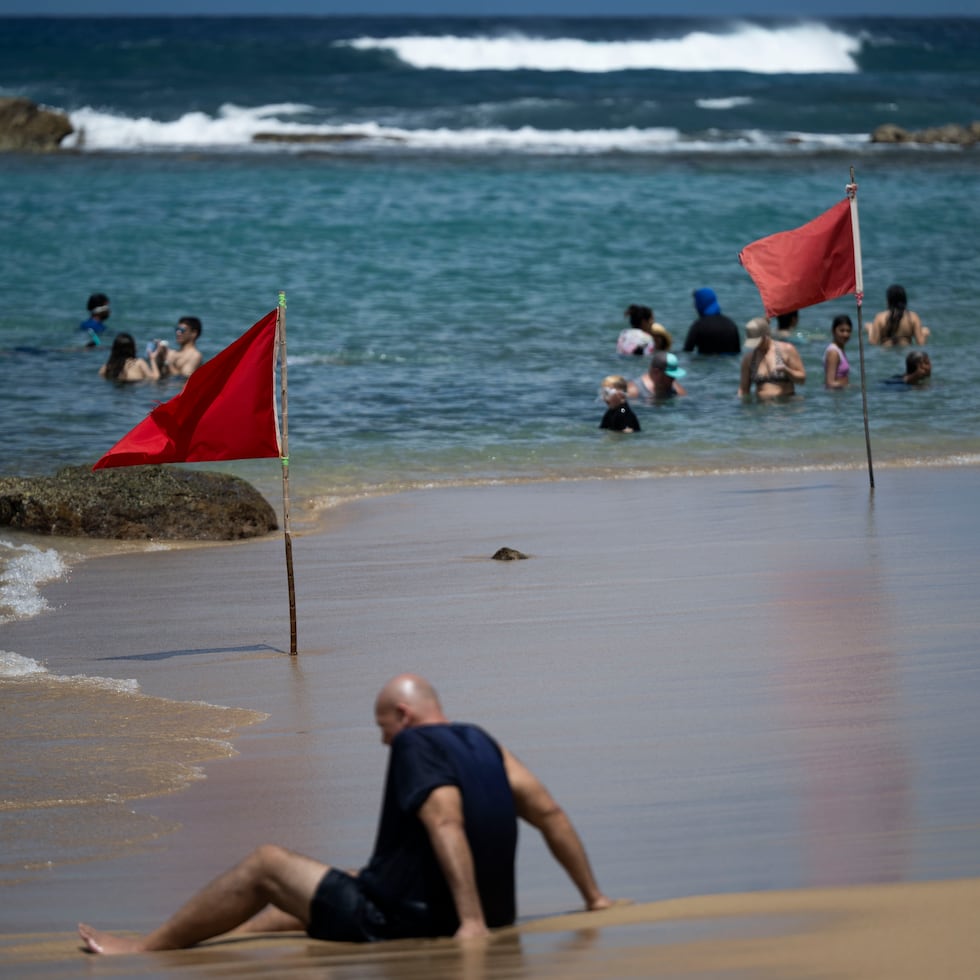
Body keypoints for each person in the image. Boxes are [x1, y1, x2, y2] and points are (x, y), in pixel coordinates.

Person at [78, 674, 612, 955]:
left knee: (267, 864)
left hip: (418, 919)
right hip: (485, 911)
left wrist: (471, 923)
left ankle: (147, 947)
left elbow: (445, 822)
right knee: (340, 880)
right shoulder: (480, 740)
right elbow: (550, 812)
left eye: (383, 729)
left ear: (403, 715)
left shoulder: (414, 745)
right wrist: (593, 897)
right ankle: (223, 932)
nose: (384, 742)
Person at [738, 319, 806, 399]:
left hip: (786, 403)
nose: (755, 345)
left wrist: (787, 371)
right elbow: (744, 389)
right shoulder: (749, 358)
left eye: (757, 341)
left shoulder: (787, 349)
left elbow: (802, 379)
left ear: (766, 335)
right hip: (760, 405)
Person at [866, 285, 930, 347]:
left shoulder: (880, 317)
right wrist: (924, 334)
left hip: (886, 352)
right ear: (904, 300)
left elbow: (873, 343)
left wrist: (870, 330)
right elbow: (920, 343)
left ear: (889, 300)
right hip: (906, 351)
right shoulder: (913, 317)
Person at [683, 288, 740, 355]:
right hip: (728, 361)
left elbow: (687, 351)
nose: (694, 306)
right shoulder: (731, 324)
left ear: (701, 303)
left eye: (696, 302)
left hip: (705, 361)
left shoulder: (698, 326)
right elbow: (737, 352)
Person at [823, 314, 852, 389]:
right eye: (842, 331)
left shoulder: (839, 350)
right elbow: (830, 383)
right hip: (835, 394)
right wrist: (849, 386)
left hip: (840, 393)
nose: (845, 334)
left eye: (848, 331)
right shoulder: (834, 352)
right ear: (833, 331)